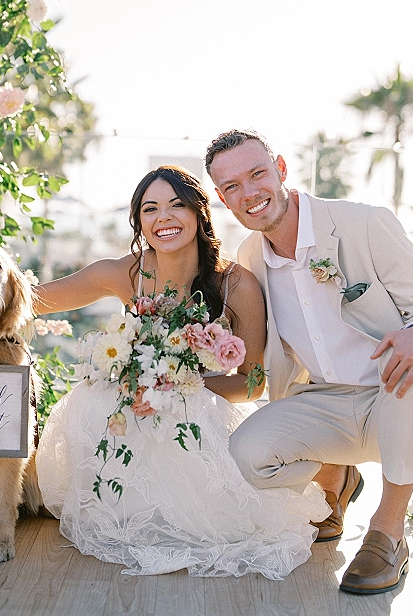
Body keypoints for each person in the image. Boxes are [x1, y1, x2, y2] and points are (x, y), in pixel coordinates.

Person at [33, 165, 329, 578]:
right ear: (139, 221)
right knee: (91, 399)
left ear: (198, 213)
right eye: (150, 209)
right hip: (132, 415)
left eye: (176, 206)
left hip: (198, 414)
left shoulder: (234, 284)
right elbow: (33, 300)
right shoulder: (127, 273)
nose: (163, 218)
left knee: (225, 524)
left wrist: (185, 385)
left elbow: (253, 381)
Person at [205, 129, 413, 595]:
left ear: (282, 170)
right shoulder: (250, 257)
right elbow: (255, 360)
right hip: (323, 401)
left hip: (395, 394)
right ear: (222, 198)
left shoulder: (365, 224)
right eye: (232, 187)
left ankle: (387, 532)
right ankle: (335, 473)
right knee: (246, 456)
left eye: (257, 175)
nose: (249, 193)